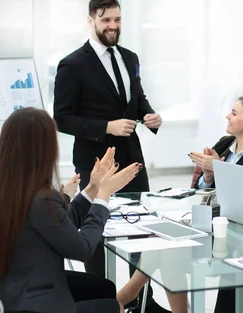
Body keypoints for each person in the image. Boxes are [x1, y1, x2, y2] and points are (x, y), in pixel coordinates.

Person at [116, 96, 243, 313]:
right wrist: (209, 174)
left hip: (236, 235)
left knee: (166, 250)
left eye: (234, 113)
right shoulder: (225, 143)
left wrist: (217, 167)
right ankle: (136, 296)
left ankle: (128, 294)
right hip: (208, 224)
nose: (227, 116)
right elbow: (202, 187)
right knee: (163, 244)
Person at [53, 1, 163, 310]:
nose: (113, 25)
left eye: (117, 19)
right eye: (106, 20)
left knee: (141, 230)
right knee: (95, 237)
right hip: (94, 164)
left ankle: (143, 302)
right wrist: (106, 127)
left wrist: (150, 115)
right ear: (91, 20)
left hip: (132, 160)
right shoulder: (72, 64)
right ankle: (101, 303)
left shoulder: (130, 58)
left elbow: (136, 99)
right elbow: (62, 118)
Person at [0, 107, 141, 313]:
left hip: (12, 292)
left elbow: (57, 227)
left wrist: (93, 188)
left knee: (103, 288)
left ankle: (131, 292)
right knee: (113, 306)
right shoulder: (40, 197)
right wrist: (103, 197)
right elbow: (82, 249)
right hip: (34, 302)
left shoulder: (9, 189)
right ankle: (130, 294)